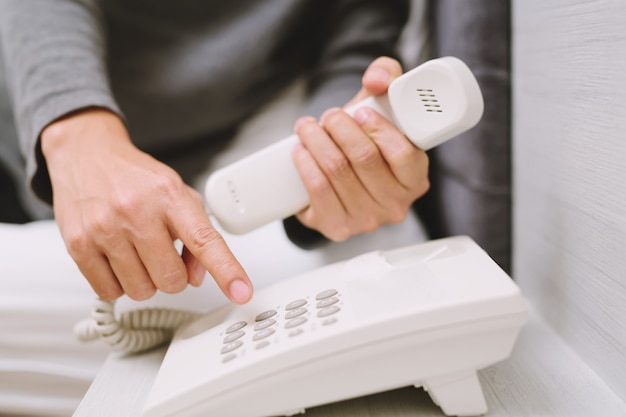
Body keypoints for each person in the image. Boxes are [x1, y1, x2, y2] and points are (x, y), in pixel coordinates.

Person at [0, 0, 431, 415]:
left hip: (247, 125)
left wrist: (336, 167)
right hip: (56, 125)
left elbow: (356, 35)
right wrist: (76, 130)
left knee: (397, 296)